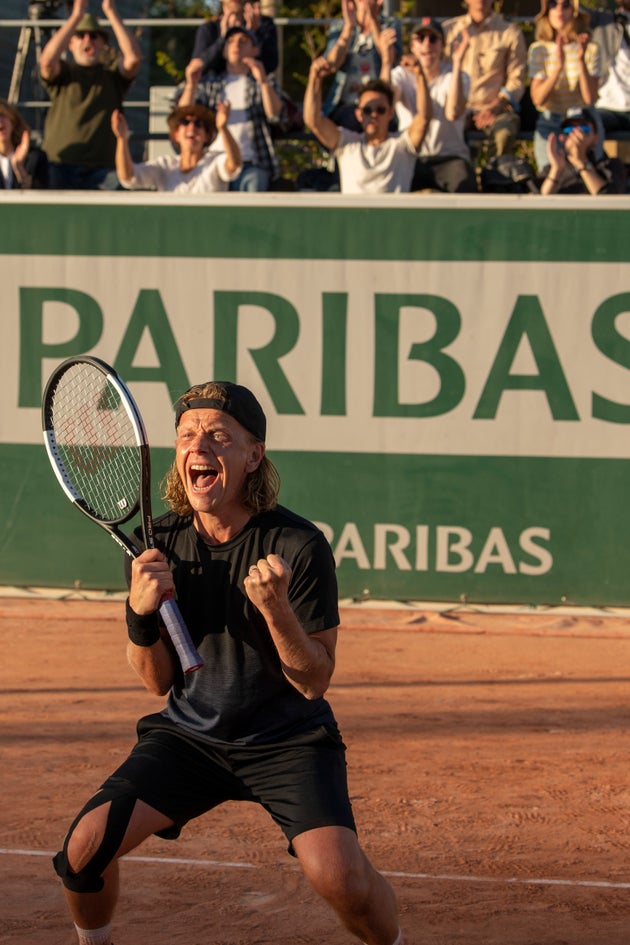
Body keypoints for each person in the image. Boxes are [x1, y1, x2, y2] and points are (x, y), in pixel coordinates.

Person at [51, 380, 405, 945]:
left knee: (341, 879)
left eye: (219, 436)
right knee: (83, 851)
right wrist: (139, 614)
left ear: (252, 455)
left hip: (287, 740)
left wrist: (277, 611)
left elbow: (315, 682)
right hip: (190, 739)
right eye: (188, 435)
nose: (200, 446)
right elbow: (157, 681)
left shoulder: (298, 543)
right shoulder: (154, 543)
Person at [39, 0, 141, 190]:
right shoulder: (64, 75)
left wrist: (111, 11)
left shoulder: (112, 76)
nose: (88, 40)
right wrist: (76, 16)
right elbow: (46, 62)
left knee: (125, 190)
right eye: (80, 35)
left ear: (103, 44)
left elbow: (133, 59)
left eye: (94, 36)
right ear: (70, 43)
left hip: (105, 171)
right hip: (59, 165)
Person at [175, 25, 283, 192]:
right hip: (213, 162)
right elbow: (183, 114)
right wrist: (191, 84)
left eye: (243, 41)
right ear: (224, 51)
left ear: (255, 50)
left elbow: (275, 114)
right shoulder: (210, 83)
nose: (236, 46)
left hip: (250, 164)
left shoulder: (263, 81)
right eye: (230, 41)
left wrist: (263, 82)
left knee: (254, 190)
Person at [304, 58, 431, 194]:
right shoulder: (347, 143)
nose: (374, 115)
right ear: (359, 115)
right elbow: (314, 121)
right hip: (353, 215)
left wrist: (419, 75)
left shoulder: (402, 145)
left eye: (380, 110)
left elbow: (424, 118)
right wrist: (314, 78)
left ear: (390, 113)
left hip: (393, 215)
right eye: (367, 110)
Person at [380, 17, 476, 194]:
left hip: (449, 157)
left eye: (433, 39)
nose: (427, 45)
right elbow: (383, 107)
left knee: (465, 187)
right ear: (412, 46)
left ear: (442, 46)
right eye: (420, 39)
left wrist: (457, 63)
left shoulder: (457, 76)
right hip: (411, 157)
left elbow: (453, 112)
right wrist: (386, 60)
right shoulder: (401, 75)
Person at [443, 0, 527, 159]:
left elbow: (517, 79)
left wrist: (497, 105)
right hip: (456, 108)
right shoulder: (449, 30)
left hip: (496, 108)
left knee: (504, 134)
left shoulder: (510, 32)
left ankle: (495, 177)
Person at [528, 0, 602, 174]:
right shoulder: (538, 50)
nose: (560, 9)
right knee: (551, 175)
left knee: (586, 177)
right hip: (550, 119)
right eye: (553, 4)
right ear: (546, 11)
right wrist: (558, 68)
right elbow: (538, 99)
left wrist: (580, 60)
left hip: (582, 121)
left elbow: (589, 98)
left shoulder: (591, 48)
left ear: (574, 10)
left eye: (566, 4)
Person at [111, 102, 241, 193]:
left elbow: (234, 164)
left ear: (207, 136)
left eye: (198, 124)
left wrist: (223, 128)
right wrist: (121, 139)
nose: (192, 128)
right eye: (185, 122)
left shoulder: (215, 161)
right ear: (176, 134)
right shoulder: (165, 165)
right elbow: (128, 177)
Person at [323, 0, 402, 131]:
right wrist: (348, 27)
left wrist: (373, 21)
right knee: (351, 123)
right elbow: (331, 64)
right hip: (347, 103)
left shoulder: (390, 24)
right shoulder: (340, 25)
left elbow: (391, 59)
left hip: (380, 104)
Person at [540, 106, 626, 192]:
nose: (577, 135)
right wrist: (556, 170)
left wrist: (581, 161)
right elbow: (540, 201)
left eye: (584, 129)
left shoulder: (610, 166)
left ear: (595, 138)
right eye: (569, 130)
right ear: (562, 137)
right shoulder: (551, 169)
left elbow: (606, 200)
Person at [188, 0, 278, 79]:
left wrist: (253, 35)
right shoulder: (209, 29)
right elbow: (197, 67)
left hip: (254, 88)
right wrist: (222, 40)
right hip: (215, 92)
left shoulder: (263, 25)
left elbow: (271, 65)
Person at [588, 0, 630, 136]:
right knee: (583, 127)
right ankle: (598, 158)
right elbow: (574, 10)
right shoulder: (603, 20)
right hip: (607, 107)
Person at [0, 99, 48, 189]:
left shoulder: (35, 158)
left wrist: (19, 168)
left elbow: (41, 196)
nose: (0, 121)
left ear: (13, 121)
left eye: (3, 115)